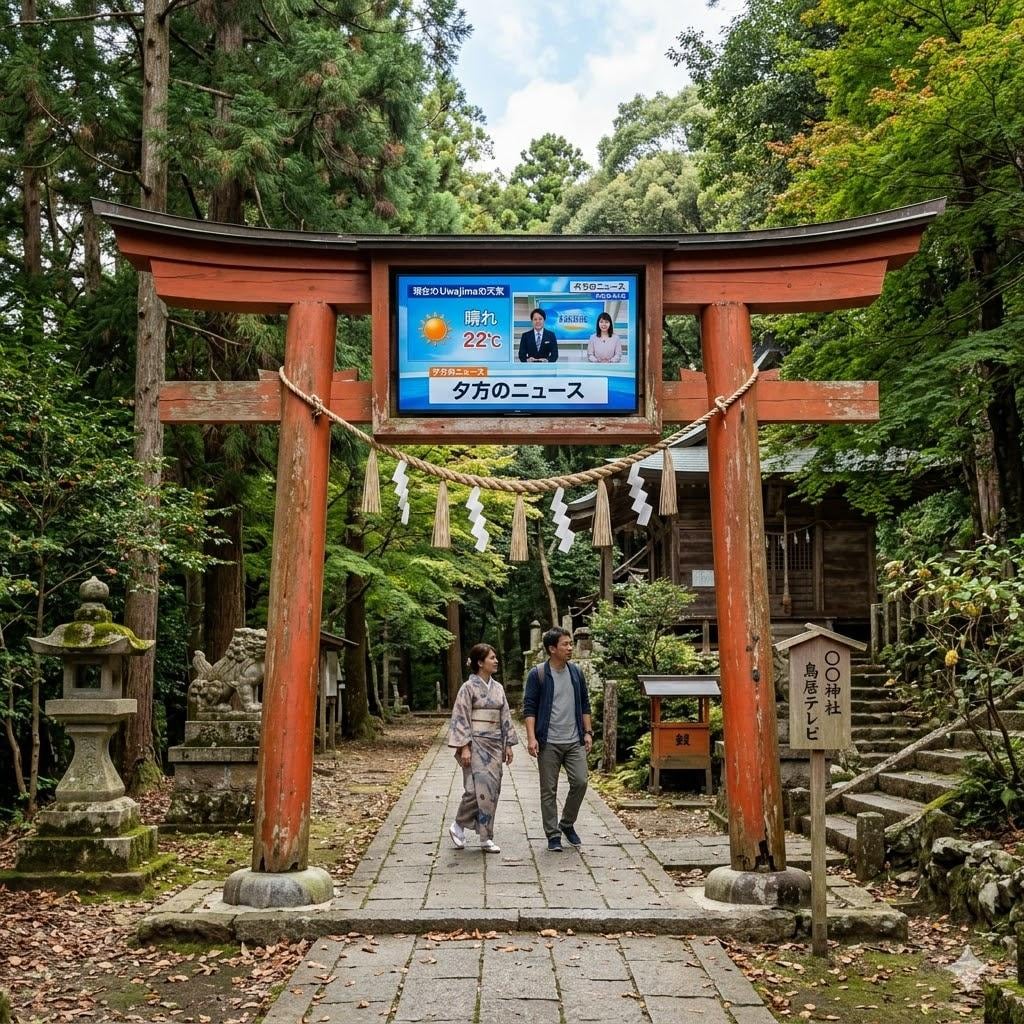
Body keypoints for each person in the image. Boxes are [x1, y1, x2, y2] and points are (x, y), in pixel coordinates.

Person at [523, 627, 593, 852]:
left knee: (581, 781)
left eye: (571, 643)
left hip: (574, 739)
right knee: (548, 790)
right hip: (548, 741)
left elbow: (585, 704)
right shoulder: (538, 674)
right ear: (552, 649)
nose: (570, 648)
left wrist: (588, 732)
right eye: (565, 644)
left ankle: (567, 823)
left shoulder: (576, 673)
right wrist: (531, 738)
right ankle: (552, 834)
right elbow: (530, 708)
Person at [447, 643, 518, 853]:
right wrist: (464, 747)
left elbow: (505, 716)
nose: (496, 661)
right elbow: (460, 717)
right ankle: (459, 824)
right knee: (473, 790)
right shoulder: (468, 688)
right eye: (491, 658)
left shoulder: (498, 688)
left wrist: (508, 745)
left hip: (495, 744)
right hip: (475, 743)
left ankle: (486, 837)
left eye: (496, 657)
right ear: (480, 662)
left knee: (491, 790)